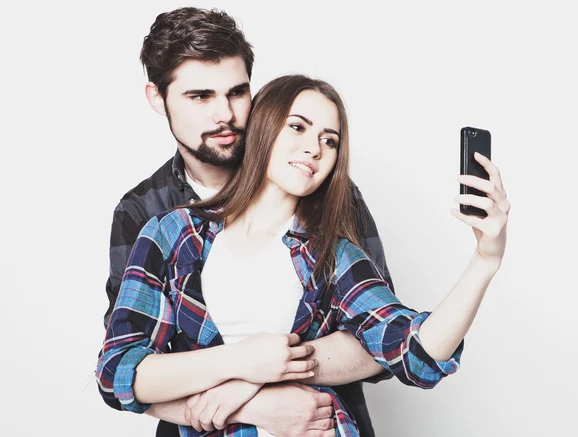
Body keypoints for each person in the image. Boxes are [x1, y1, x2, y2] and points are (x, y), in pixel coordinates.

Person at [97, 74, 510, 437]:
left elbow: (416, 352)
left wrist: (485, 259)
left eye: (329, 140)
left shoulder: (333, 252)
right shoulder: (172, 234)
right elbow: (120, 370)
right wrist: (244, 364)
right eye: (298, 127)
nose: (314, 148)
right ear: (263, 127)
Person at [103, 7, 396, 437]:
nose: (225, 114)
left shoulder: (321, 184)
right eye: (199, 96)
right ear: (156, 97)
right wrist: (254, 402)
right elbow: (126, 371)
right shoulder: (144, 212)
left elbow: (381, 344)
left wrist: (262, 374)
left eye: (237, 92)